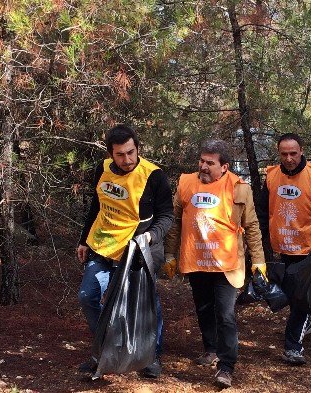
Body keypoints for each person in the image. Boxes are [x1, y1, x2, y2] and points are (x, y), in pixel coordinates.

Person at [163, 139, 266, 388]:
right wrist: (169, 255)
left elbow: (251, 226)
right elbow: (175, 222)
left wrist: (259, 261)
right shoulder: (186, 183)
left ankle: (226, 366)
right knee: (203, 309)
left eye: (210, 163)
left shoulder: (239, 188)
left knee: (226, 314)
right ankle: (211, 348)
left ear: (225, 167)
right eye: (202, 161)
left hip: (227, 264)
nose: (204, 166)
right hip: (196, 260)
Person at [76, 124, 174, 378]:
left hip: (138, 250)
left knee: (146, 304)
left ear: (137, 148)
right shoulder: (103, 169)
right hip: (103, 245)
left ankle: (150, 357)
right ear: (111, 154)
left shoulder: (154, 175)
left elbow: (166, 216)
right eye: (120, 154)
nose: (127, 159)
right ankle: (104, 349)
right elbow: (97, 205)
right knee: (88, 296)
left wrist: (152, 236)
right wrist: (84, 240)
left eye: (131, 152)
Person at [256, 132, 311, 366]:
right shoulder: (272, 176)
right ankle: (305, 321)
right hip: (281, 247)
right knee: (291, 296)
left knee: (300, 298)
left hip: (308, 246)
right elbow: (263, 209)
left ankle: (293, 347)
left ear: (301, 151)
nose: (289, 158)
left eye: (293, 153)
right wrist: (256, 239)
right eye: (284, 154)